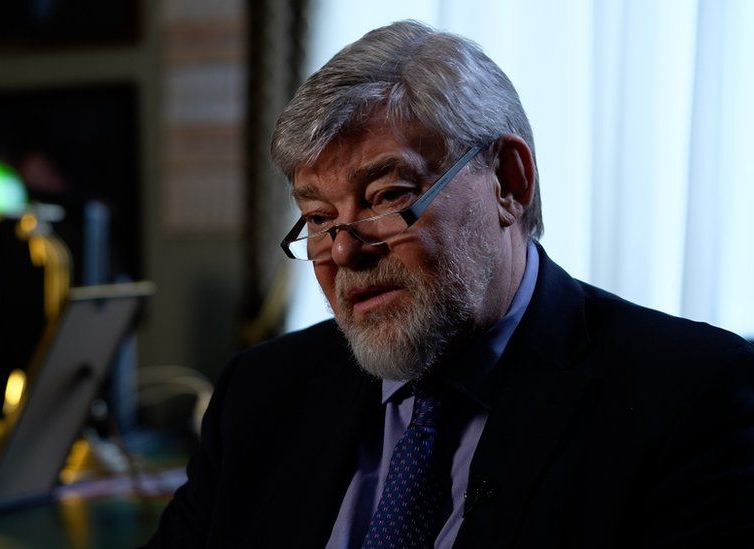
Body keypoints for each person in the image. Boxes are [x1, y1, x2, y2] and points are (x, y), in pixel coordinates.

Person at [145, 20, 754, 548]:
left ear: (509, 184)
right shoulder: (260, 396)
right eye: (320, 218)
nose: (345, 249)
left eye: (387, 196)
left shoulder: (695, 396)